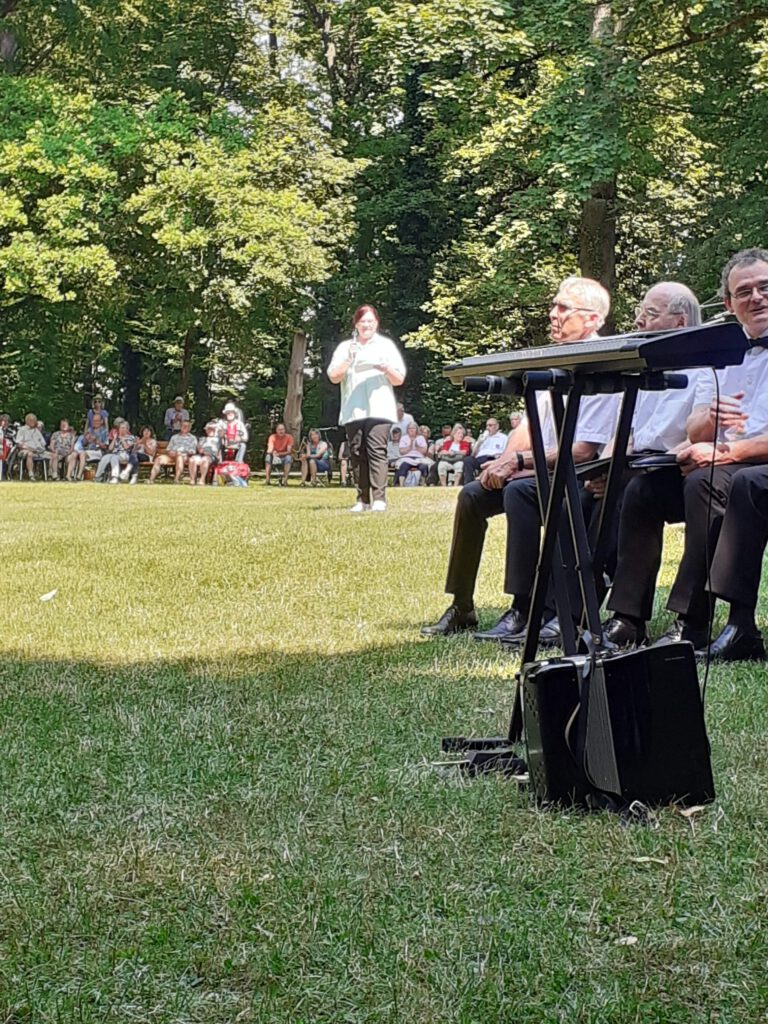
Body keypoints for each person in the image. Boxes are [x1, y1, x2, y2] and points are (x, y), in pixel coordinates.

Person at [422, 276, 620, 641]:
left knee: (519, 492)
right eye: (554, 305)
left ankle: (523, 607)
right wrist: (503, 461)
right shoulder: (556, 359)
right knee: (472, 495)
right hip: (540, 468)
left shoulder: (599, 366)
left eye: (563, 308)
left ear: (592, 319)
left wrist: (519, 462)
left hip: (578, 475)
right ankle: (462, 605)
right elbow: (529, 426)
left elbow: (583, 450)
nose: (553, 314)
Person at [631, 250, 768, 661]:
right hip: (729, 462)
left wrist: (724, 451)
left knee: (736, 481)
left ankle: (730, 623)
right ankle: (628, 617)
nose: (756, 297)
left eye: (765, 287)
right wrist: (709, 419)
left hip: (749, 465)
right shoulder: (720, 354)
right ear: (728, 303)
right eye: (744, 292)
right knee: (645, 488)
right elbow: (696, 429)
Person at [594, 283, 710, 646]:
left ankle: (680, 619)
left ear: (680, 322)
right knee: (589, 491)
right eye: (640, 312)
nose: (639, 321)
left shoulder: (705, 368)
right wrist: (605, 466)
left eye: (650, 314)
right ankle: (598, 613)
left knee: (645, 489)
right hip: (643, 465)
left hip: (684, 466)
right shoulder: (644, 370)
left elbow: (703, 431)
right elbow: (626, 433)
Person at [327, 304, 406, 512]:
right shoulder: (346, 347)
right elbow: (334, 376)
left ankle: (379, 498)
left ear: (376, 323)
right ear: (356, 324)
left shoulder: (386, 346)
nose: (366, 325)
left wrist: (386, 368)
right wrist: (349, 360)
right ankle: (362, 500)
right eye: (362, 321)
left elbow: (399, 379)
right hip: (353, 409)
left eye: (370, 321)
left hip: (380, 408)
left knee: (376, 450)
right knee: (356, 452)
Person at [462, 417, 508, 484]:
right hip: (480, 458)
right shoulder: (483, 437)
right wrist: (479, 443)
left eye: (490, 425)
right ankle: (468, 483)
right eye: (487, 426)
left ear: (497, 426)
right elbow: (473, 454)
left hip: (493, 459)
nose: (488, 428)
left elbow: (506, 452)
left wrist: (499, 456)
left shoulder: (503, 438)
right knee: (468, 460)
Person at [67, 413, 108, 481]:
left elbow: (105, 447)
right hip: (87, 450)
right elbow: (84, 444)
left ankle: (79, 475)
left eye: (97, 420)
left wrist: (96, 441)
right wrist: (86, 439)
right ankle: (68, 476)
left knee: (83, 453)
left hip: (99, 452)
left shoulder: (104, 432)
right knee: (74, 453)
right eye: (94, 420)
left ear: (101, 421)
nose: (95, 422)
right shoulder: (90, 430)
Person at [15, 413, 48, 480]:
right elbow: (19, 443)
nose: (33, 422)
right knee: (30, 454)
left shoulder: (37, 431)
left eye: (34, 420)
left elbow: (43, 443)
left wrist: (40, 449)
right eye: (31, 420)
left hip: (38, 451)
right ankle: (31, 474)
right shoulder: (22, 430)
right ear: (27, 421)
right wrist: (29, 448)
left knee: (54, 456)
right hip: (25, 450)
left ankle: (52, 475)